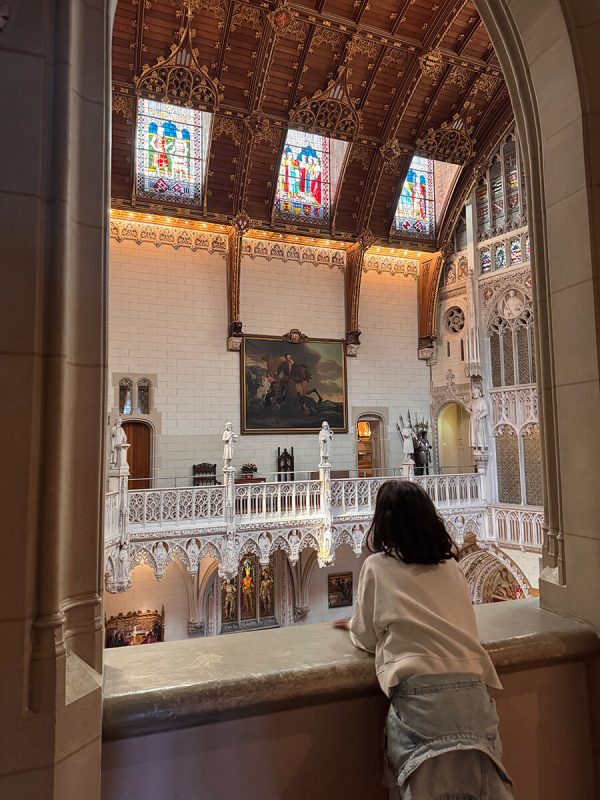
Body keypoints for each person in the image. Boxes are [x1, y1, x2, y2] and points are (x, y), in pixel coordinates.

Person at [334, 481, 513, 800]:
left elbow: (364, 637)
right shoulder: (452, 567)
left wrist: (357, 626)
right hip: (474, 696)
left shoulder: (377, 566)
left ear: (384, 522)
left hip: (422, 704)